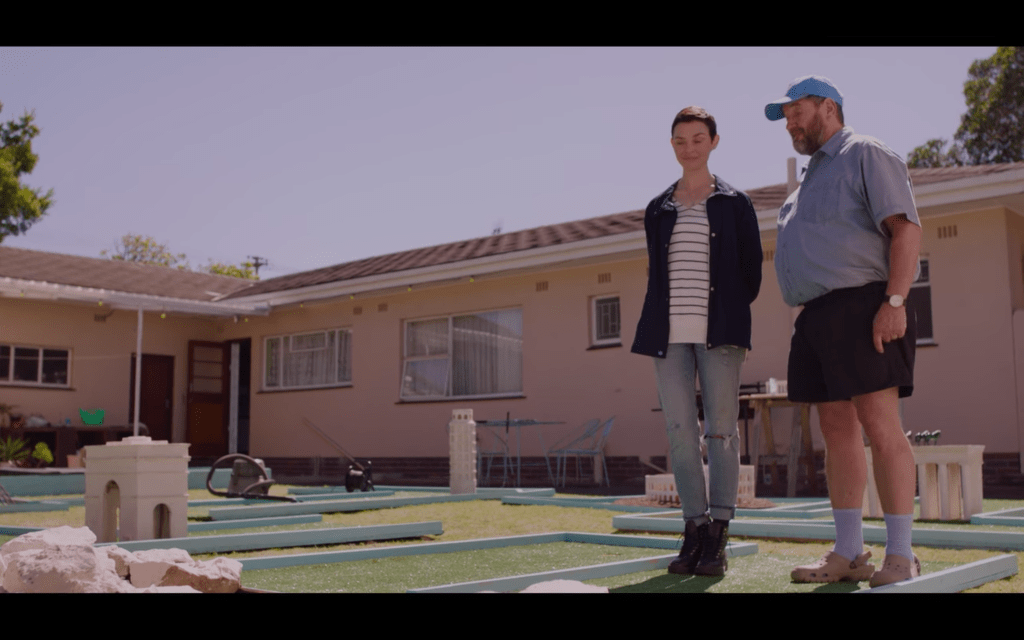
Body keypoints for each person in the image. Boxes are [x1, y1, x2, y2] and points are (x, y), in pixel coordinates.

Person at [765, 76, 923, 587]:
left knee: (881, 425)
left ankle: (901, 555)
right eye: (785, 117)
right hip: (815, 316)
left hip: (864, 303)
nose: (790, 124)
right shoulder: (807, 181)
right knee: (836, 431)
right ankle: (850, 553)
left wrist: (894, 301)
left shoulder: (865, 153)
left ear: (828, 107)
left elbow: (906, 228)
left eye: (797, 112)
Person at [632, 106, 762, 576]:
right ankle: (694, 529)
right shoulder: (657, 209)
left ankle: (719, 534)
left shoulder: (735, 203)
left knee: (721, 432)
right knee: (680, 433)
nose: (689, 148)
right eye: (681, 140)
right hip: (668, 337)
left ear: (714, 142)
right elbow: (657, 273)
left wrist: (722, 312)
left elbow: (751, 275)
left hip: (720, 335)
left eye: (698, 139)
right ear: (672, 145)